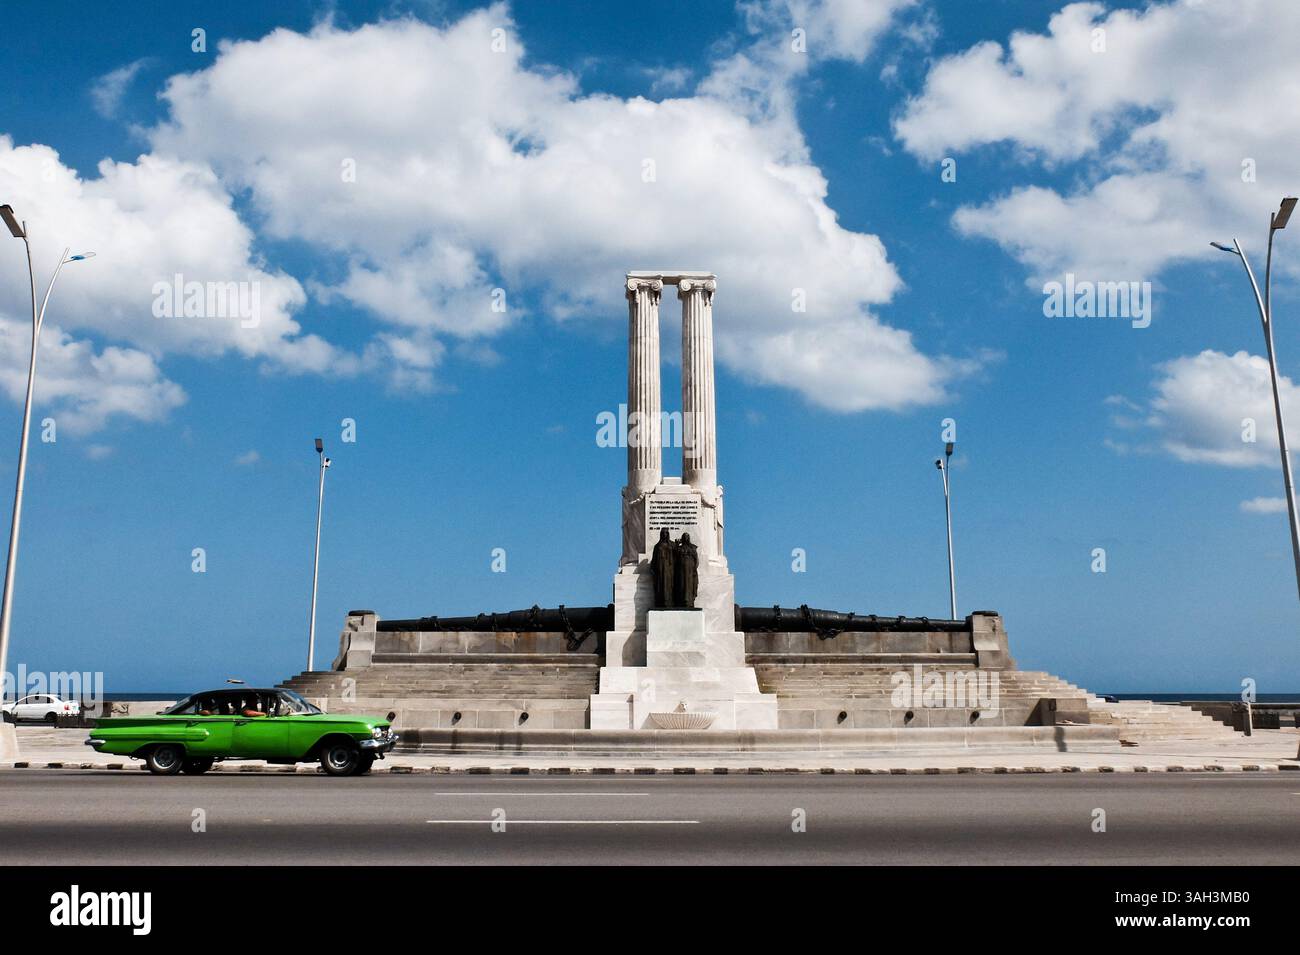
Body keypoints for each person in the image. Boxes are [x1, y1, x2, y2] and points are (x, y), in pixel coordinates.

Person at [651, 528, 676, 608]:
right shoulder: (657, 546)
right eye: (663, 533)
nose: (664, 534)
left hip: (670, 569)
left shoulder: (672, 545)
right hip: (660, 569)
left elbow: (677, 555)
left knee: (669, 585)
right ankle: (661, 602)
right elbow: (654, 558)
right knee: (660, 584)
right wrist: (652, 568)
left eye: (666, 533)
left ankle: (670, 602)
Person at [674, 533, 699, 608]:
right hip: (681, 571)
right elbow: (674, 557)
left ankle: (689, 602)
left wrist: (694, 569)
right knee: (681, 584)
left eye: (687, 537)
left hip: (690, 571)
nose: (685, 538)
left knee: (689, 585)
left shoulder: (692, 548)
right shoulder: (679, 548)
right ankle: (681, 601)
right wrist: (677, 545)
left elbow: (696, 560)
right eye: (684, 537)